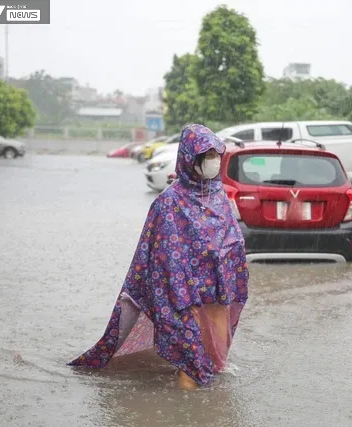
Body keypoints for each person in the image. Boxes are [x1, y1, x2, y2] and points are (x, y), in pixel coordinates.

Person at [68, 124, 249, 390]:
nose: (213, 161)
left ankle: (208, 390)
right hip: (183, 294)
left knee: (214, 360)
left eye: (215, 155)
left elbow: (232, 238)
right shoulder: (169, 202)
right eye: (206, 155)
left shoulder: (218, 195)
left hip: (218, 286)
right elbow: (161, 255)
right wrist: (180, 290)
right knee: (190, 362)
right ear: (190, 158)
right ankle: (186, 403)